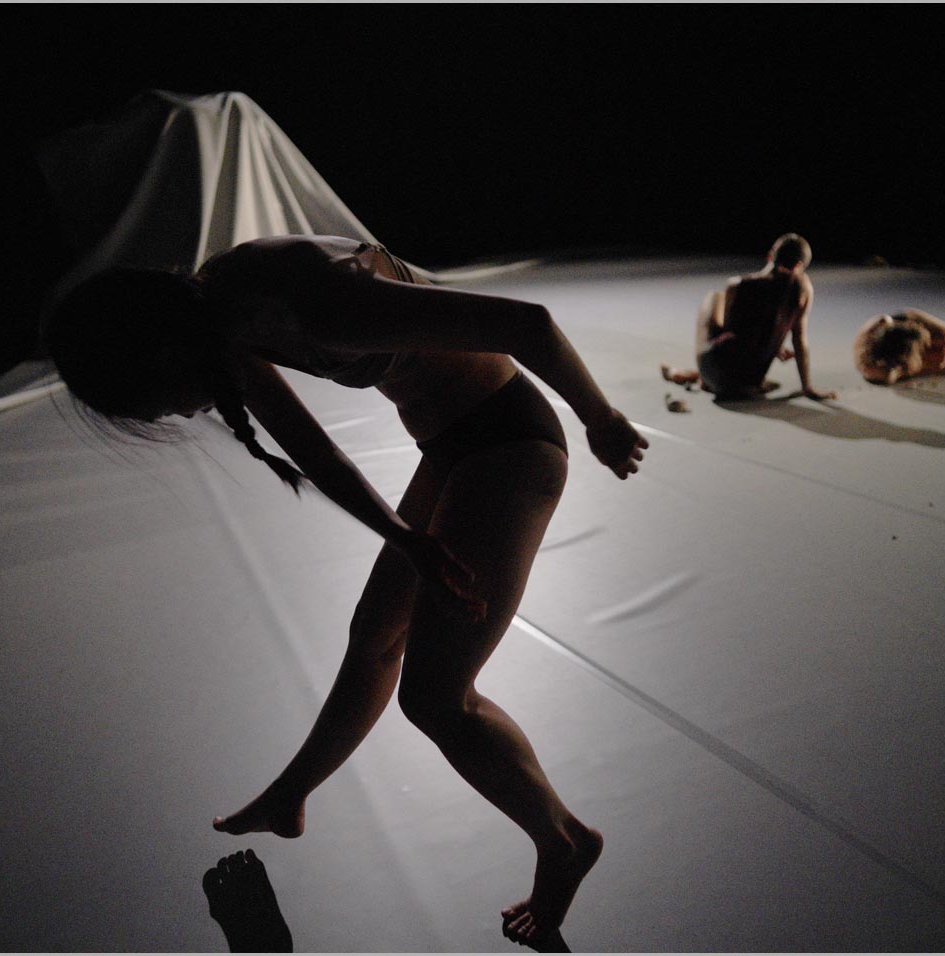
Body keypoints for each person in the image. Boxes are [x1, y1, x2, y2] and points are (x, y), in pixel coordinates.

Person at [44, 236, 649, 950]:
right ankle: (292, 793)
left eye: (156, 406)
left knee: (435, 697)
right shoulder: (226, 315)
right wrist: (405, 537)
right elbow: (318, 454)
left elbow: (527, 324)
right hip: (455, 445)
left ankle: (565, 840)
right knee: (374, 639)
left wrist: (601, 418)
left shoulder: (314, 306)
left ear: (160, 354)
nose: (175, 416)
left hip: (509, 443)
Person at [661, 233, 837, 401]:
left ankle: (697, 377)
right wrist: (807, 386)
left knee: (714, 297)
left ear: (770, 255)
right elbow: (799, 339)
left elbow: (731, 338)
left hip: (720, 377)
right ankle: (697, 377)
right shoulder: (802, 289)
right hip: (751, 382)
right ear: (799, 266)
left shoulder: (738, 285)